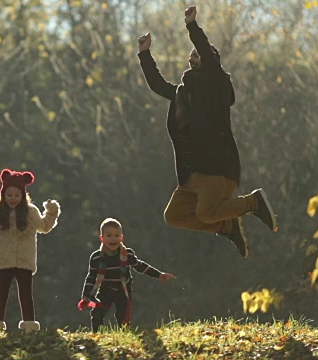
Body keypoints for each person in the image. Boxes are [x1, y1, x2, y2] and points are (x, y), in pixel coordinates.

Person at [137, 5, 278, 259]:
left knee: (206, 213)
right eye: (192, 56)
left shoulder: (217, 85)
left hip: (216, 167)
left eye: (198, 55)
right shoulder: (183, 93)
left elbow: (209, 58)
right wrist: (145, 54)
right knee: (174, 216)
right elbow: (158, 85)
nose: (193, 58)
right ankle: (227, 225)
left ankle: (253, 202)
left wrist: (192, 26)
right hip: (191, 173)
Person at [0, 169, 61, 332]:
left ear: (23, 196)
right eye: (9, 195)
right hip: (2, 260)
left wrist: (51, 210)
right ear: (3, 195)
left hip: (24, 260)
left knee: (26, 294)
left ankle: (29, 323)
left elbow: (44, 226)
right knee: (1, 294)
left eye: (16, 195)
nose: (13, 198)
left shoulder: (31, 212)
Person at [77, 218, 176, 332]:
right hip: (105, 289)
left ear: (122, 238)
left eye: (116, 235)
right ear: (102, 238)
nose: (113, 239)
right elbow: (91, 278)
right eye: (109, 236)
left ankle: (124, 333)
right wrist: (86, 295)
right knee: (97, 312)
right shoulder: (96, 258)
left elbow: (140, 266)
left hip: (123, 289)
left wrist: (159, 275)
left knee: (123, 315)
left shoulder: (127, 254)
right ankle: (96, 334)